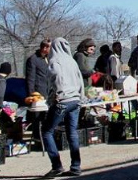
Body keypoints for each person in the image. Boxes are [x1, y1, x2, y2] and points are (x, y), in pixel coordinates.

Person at [42, 37, 85, 177]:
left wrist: (52, 98)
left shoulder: (55, 62)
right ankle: (76, 166)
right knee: (72, 132)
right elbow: (80, 81)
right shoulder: (72, 61)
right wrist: (81, 97)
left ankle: (56, 165)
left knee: (47, 131)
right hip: (75, 100)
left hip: (62, 100)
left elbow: (55, 80)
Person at [25, 39, 52, 140]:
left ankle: (47, 135)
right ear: (44, 47)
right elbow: (30, 79)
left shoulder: (48, 59)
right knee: (37, 116)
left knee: (47, 116)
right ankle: (37, 138)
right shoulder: (33, 59)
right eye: (50, 47)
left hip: (49, 91)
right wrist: (32, 95)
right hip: (38, 93)